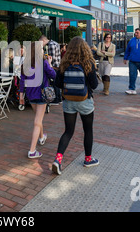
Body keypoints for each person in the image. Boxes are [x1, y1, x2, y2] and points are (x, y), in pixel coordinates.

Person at [52, 37, 99, 175]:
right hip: (85, 101)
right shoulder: (88, 63)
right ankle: (88, 159)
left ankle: (58, 160)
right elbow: (95, 85)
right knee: (88, 130)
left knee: (68, 131)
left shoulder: (64, 63)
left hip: (68, 101)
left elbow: (58, 84)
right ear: (84, 48)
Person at [19, 42, 56, 159]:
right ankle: (32, 150)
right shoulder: (44, 62)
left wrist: (21, 95)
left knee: (38, 118)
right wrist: (49, 64)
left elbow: (22, 80)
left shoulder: (26, 63)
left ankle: (41, 137)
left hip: (30, 95)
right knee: (37, 121)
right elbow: (53, 75)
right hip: (41, 94)